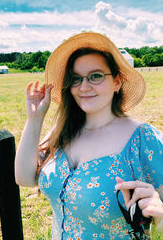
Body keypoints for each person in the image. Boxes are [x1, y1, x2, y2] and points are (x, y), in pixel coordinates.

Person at [15, 32, 163, 239]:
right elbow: (25, 178)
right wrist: (35, 119)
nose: (83, 87)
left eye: (96, 76)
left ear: (117, 82)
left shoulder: (142, 139)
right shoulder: (63, 130)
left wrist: (160, 218)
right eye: (76, 79)